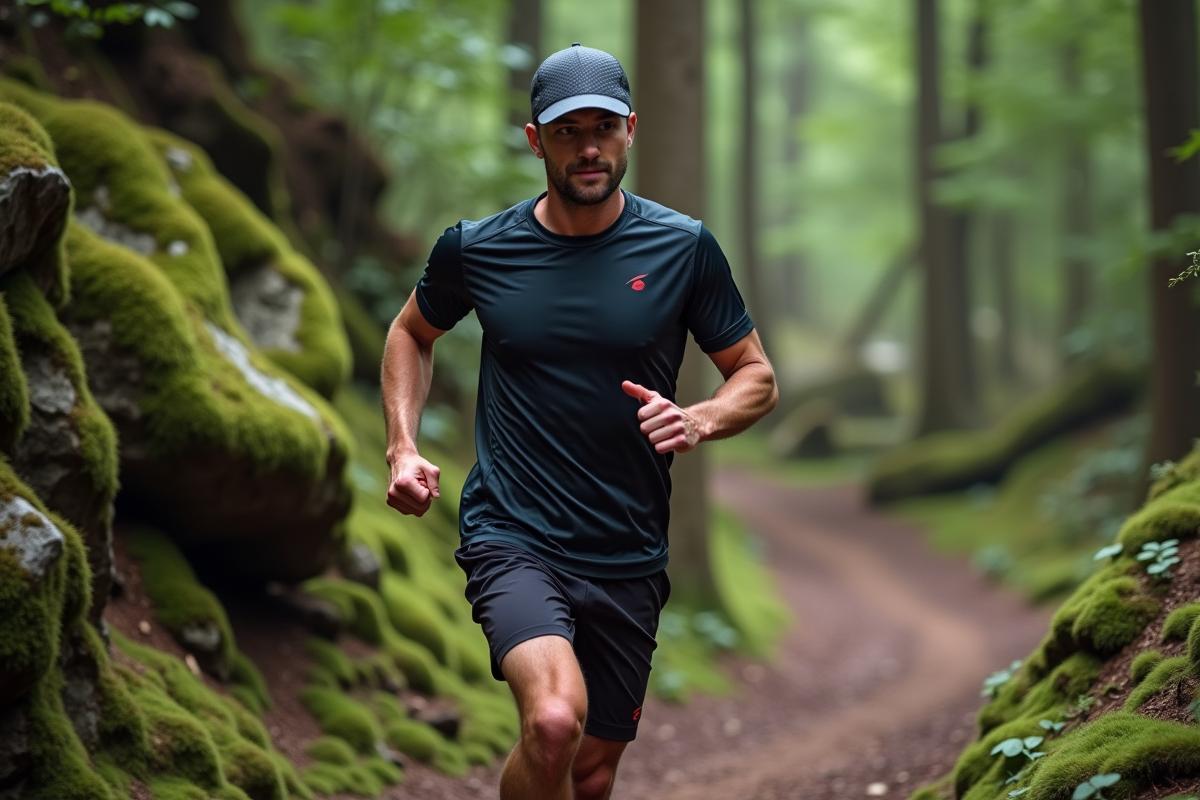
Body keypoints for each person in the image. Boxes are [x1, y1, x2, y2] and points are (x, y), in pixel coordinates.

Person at [381, 43, 777, 800]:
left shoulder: (683, 248)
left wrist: (698, 420)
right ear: (536, 140)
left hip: (628, 549)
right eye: (567, 131)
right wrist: (402, 445)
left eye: (603, 128)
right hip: (514, 534)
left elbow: (755, 376)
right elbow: (411, 333)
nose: (588, 147)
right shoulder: (477, 249)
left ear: (632, 129)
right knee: (555, 721)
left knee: (590, 775)